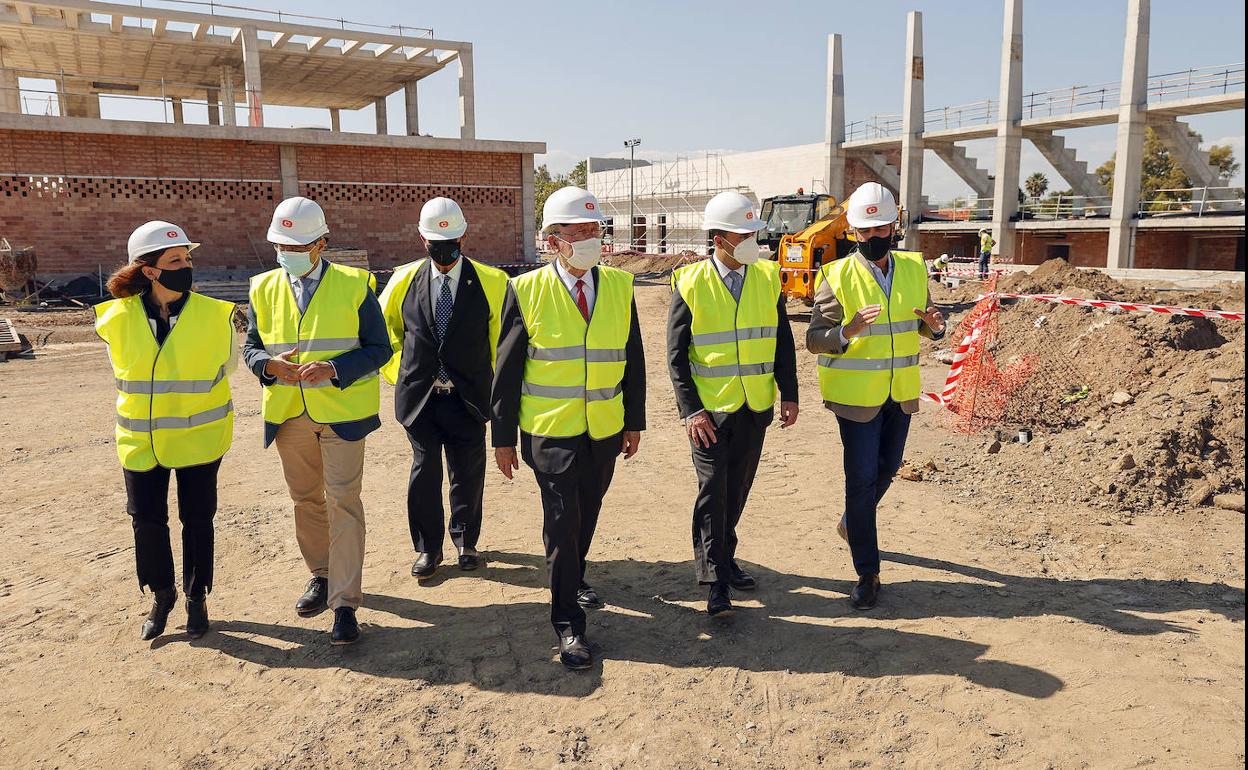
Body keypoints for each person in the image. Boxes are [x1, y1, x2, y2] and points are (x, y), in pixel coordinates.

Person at [491, 186, 646, 671]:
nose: (587, 239)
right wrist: (501, 437)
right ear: (552, 240)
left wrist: (633, 421)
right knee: (562, 521)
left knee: (588, 511)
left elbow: (633, 359)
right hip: (549, 431)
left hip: (603, 427)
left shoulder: (621, 287)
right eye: (576, 232)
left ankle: (573, 575)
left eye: (593, 230)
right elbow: (507, 369)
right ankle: (567, 623)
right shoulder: (526, 290)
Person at [242, 196, 391, 645]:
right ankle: (321, 575)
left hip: (342, 413)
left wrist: (334, 369)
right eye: (280, 245)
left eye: (297, 245)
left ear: (321, 243)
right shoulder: (262, 287)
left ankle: (344, 604)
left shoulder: (354, 284)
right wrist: (268, 365)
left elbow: (379, 348)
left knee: (343, 501)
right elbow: (250, 348)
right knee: (306, 501)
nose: (286, 253)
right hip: (290, 415)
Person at [805, 182, 946, 610]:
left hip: (899, 392)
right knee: (861, 478)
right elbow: (814, 339)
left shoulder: (914, 269)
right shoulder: (836, 275)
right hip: (855, 397)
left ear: (894, 226)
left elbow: (922, 321)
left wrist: (936, 326)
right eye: (864, 232)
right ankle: (868, 572)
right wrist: (846, 332)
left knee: (888, 468)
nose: (873, 238)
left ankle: (852, 521)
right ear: (853, 233)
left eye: (880, 229)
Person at [95, 221, 236, 641]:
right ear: (150, 270)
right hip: (140, 441)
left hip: (199, 439)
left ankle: (197, 599)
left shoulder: (217, 315)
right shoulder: (113, 319)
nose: (185, 265)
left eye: (188, 258)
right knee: (146, 522)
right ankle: (162, 595)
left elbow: (226, 367)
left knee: (197, 520)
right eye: (175, 259)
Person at [667, 191, 799, 618]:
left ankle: (725, 556)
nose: (752, 242)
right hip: (708, 413)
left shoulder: (767, 276)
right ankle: (715, 583)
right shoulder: (689, 283)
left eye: (753, 233)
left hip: (754, 406)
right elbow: (676, 355)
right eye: (742, 234)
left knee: (737, 490)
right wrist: (690, 410)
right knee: (713, 492)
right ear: (719, 239)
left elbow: (782, 341)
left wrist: (790, 392)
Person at [377, 197, 509, 579]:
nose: (443, 253)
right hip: (421, 398)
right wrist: (399, 372)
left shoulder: (493, 281)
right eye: (436, 244)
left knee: (467, 471)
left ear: (464, 236)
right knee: (424, 471)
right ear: (422, 239)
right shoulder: (402, 280)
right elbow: (385, 332)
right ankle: (428, 548)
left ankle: (466, 540)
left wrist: (492, 384)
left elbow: (502, 340)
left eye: (450, 243)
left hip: (468, 397)